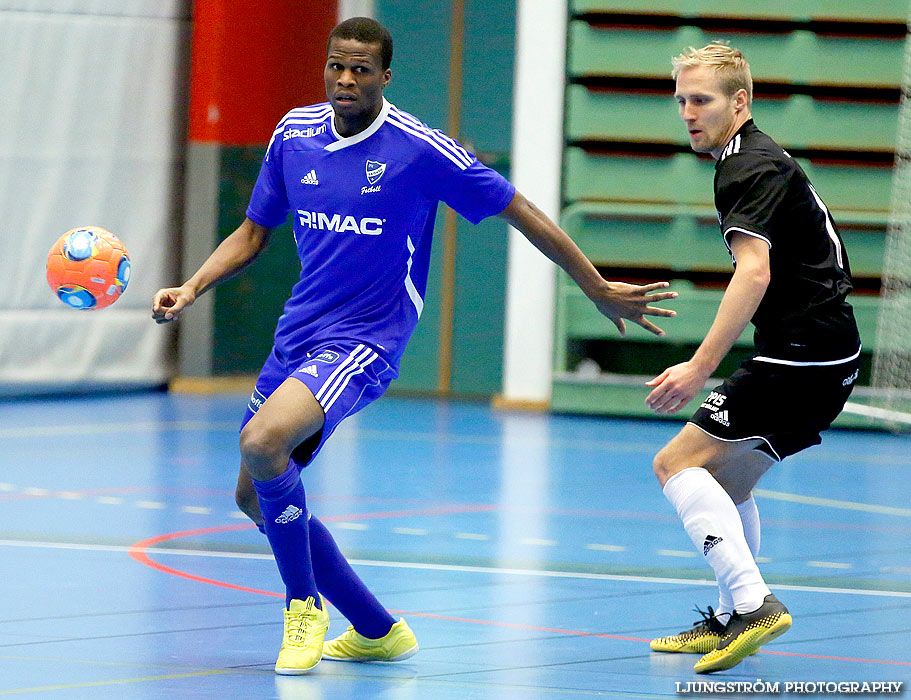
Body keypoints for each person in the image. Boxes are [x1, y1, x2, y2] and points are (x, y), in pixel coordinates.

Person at [152, 17, 677, 675]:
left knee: (263, 443)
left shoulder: (419, 150)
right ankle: (376, 629)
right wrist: (192, 286)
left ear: (385, 76)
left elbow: (520, 209)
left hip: (366, 341)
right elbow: (253, 233)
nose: (345, 80)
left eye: (361, 70)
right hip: (298, 334)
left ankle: (302, 607)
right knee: (253, 497)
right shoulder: (294, 134)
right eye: (336, 66)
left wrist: (595, 285)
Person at [644, 42, 861, 674]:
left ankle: (753, 603)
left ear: (740, 102)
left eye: (702, 99)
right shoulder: (753, 160)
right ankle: (731, 617)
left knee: (676, 462)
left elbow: (754, 273)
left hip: (802, 352)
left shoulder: (748, 167)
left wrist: (699, 367)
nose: (688, 111)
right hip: (826, 355)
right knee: (726, 479)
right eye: (681, 99)